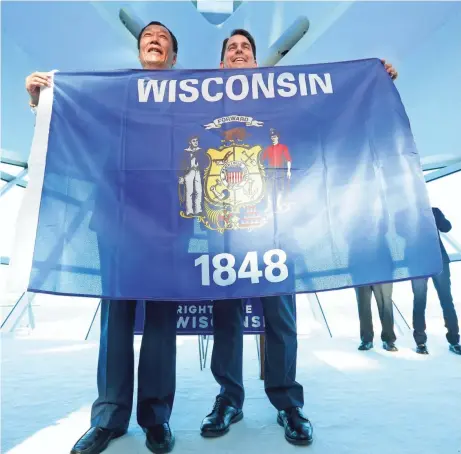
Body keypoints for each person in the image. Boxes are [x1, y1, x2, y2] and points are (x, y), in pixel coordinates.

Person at [25, 21, 179, 454]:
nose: (153, 39)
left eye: (163, 38)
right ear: (139, 51)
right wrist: (43, 102)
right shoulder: (115, 92)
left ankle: (156, 417)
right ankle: (109, 416)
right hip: (114, 220)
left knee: (161, 324)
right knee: (116, 323)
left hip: (169, 223)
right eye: (148, 36)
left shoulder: (190, 98)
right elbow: (74, 121)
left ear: (173, 56)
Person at [199, 28, 311, 447]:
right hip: (223, 228)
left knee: (279, 317)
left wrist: (374, 79)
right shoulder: (200, 103)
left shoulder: (277, 103)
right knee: (226, 316)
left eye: (246, 47)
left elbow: (324, 110)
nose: (239, 51)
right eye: (232, 48)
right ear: (222, 64)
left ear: (256, 61)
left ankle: (287, 403)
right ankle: (229, 398)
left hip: (274, 227)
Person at [411, 207, 461, 355]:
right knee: (419, 301)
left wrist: (435, 217)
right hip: (418, 263)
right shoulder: (405, 214)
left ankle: (454, 340)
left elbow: (447, 227)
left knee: (446, 300)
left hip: (439, 260)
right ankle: (420, 342)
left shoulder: (433, 211)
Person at [356, 283, 398, 352]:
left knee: (385, 303)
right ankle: (366, 339)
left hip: (382, 274)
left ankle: (388, 339)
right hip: (362, 275)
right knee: (363, 304)